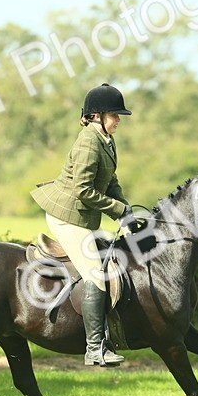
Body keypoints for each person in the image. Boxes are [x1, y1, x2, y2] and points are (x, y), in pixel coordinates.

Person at [31, 83, 134, 367]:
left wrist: (125, 210)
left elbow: (111, 181)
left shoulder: (106, 140)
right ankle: (94, 348)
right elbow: (83, 190)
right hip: (67, 215)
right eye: (115, 115)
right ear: (97, 115)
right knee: (95, 274)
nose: (119, 120)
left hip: (83, 215)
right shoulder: (89, 141)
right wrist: (119, 210)